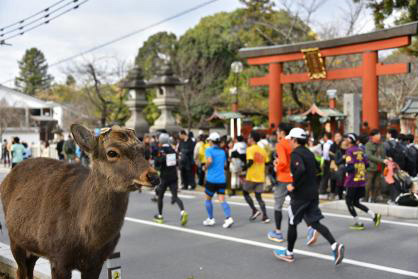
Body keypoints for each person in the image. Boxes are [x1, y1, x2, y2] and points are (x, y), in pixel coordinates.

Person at [274, 128, 344, 265]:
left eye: (289, 140)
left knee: (292, 223)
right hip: (312, 193)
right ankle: (335, 245)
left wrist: (294, 184)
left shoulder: (296, 154)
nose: (288, 142)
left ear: (294, 140)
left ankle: (289, 253)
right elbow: (317, 169)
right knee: (314, 222)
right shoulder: (309, 153)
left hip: (300, 195)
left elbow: (300, 170)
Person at [342, 133, 382, 230]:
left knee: (349, 202)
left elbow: (350, 167)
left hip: (352, 181)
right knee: (355, 202)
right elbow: (367, 165)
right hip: (360, 180)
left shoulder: (349, 151)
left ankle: (358, 223)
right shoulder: (360, 150)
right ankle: (374, 216)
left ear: (350, 140)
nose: (345, 140)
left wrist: (342, 169)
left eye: (347, 138)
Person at [153, 133, 188, 226]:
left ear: (161, 141)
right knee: (175, 196)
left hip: (164, 177)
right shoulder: (173, 150)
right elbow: (176, 162)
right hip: (173, 176)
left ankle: (160, 216)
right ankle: (183, 212)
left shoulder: (160, 151)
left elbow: (157, 163)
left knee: (160, 196)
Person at [203, 132, 234, 229]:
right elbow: (225, 165)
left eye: (209, 141)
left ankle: (211, 219)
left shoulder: (209, 150)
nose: (209, 142)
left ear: (212, 141)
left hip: (211, 179)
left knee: (207, 200)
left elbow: (210, 160)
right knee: (222, 200)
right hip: (221, 180)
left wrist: (205, 167)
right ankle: (228, 218)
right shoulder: (222, 152)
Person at [243, 131, 270, 223]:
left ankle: (254, 210)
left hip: (251, 176)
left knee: (245, 193)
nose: (248, 139)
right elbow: (267, 163)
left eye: (249, 137)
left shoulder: (250, 149)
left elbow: (250, 162)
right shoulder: (263, 150)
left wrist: (243, 168)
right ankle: (265, 216)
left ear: (252, 139)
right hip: (260, 176)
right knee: (259, 197)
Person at [365, 129, 387, 202]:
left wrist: (387, 158)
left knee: (377, 185)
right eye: (377, 134)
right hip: (371, 168)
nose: (379, 136)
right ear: (373, 136)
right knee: (368, 184)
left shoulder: (381, 144)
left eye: (379, 134)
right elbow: (369, 156)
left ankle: (373, 199)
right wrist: (382, 160)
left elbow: (383, 155)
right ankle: (366, 199)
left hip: (379, 168)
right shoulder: (368, 144)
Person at [319, 132, 333, 199]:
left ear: (326, 136)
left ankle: (322, 191)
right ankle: (328, 191)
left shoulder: (326, 144)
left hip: (327, 162)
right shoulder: (332, 143)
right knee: (330, 177)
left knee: (325, 177)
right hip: (332, 162)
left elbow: (325, 154)